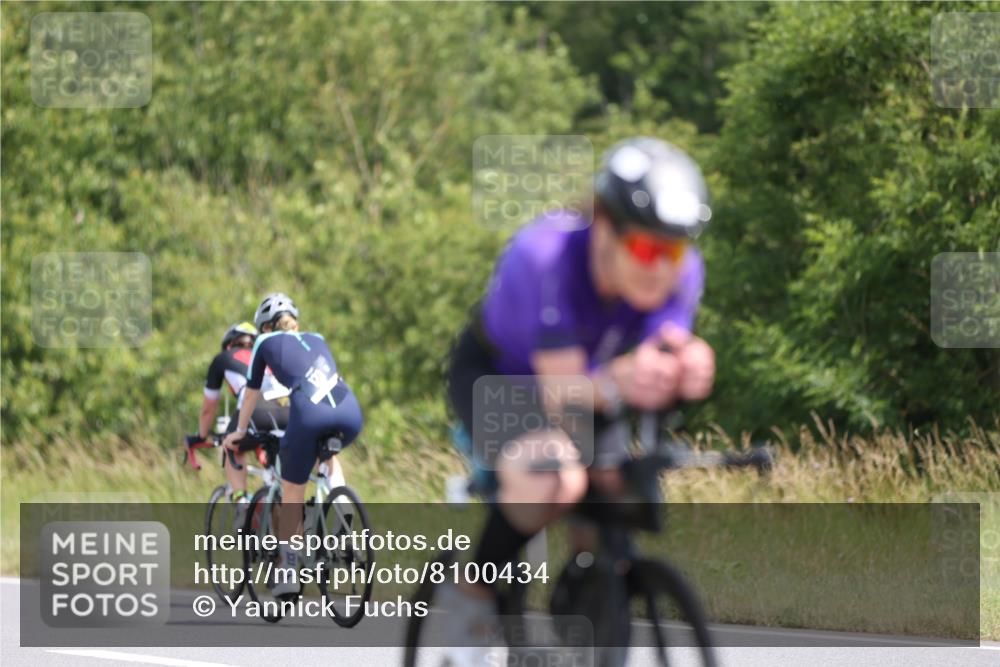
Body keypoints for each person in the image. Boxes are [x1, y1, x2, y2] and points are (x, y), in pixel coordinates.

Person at [442, 137, 717, 663]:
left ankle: (589, 603)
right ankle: (470, 595)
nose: (661, 268)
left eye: (674, 250)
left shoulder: (681, 271)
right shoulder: (546, 258)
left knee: (619, 492)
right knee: (557, 477)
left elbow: (667, 346)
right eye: (645, 248)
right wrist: (624, 380)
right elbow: (560, 392)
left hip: (589, 381)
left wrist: (691, 363)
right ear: (604, 228)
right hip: (502, 378)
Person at [223, 293, 364, 597]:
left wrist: (240, 430)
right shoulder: (318, 337)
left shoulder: (263, 343)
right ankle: (343, 515)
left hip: (309, 413)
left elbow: (251, 394)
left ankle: (288, 571)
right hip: (350, 410)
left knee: (292, 489)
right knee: (327, 456)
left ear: (264, 328)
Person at [187, 321, 291, 526]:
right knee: (278, 481)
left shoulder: (222, 359)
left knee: (231, 445)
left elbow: (209, 408)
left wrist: (201, 436)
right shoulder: (267, 355)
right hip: (288, 410)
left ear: (229, 344)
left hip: (256, 408)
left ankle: (242, 502)